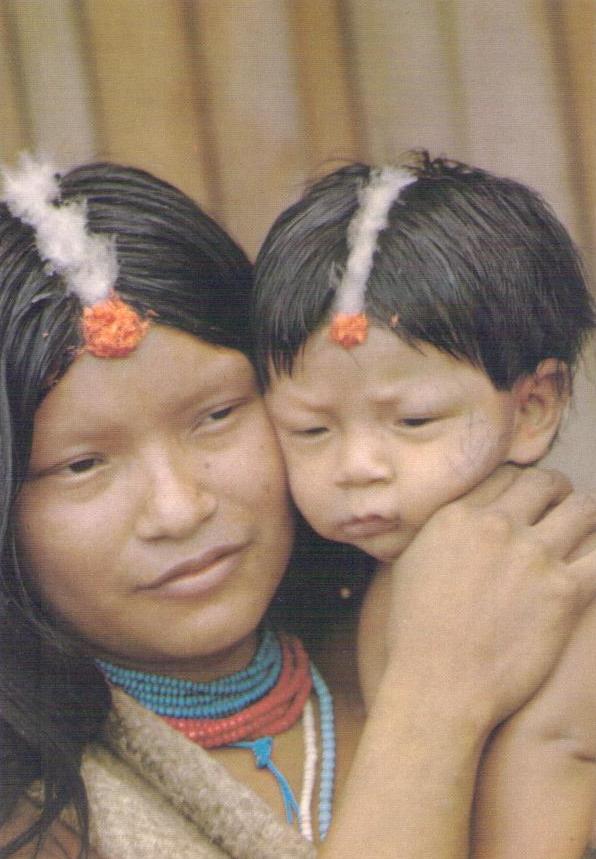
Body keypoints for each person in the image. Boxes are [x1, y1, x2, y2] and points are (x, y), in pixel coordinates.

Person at [1, 157, 596, 859]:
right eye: (83, 464)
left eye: (217, 415)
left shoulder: (502, 629)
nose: (180, 507)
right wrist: (434, 704)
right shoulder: (34, 815)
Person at [253, 152, 596, 857]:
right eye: (311, 429)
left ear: (534, 406)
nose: (358, 468)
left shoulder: (566, 590)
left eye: (412, 422)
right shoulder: (347, 594)